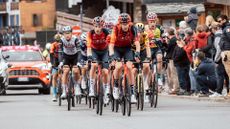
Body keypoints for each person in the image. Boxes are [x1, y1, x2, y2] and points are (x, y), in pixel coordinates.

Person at [109, 13, 140, 103]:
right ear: (120, 23)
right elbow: (111, 45)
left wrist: (137, 53)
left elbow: (137, 43)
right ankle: (115, 85)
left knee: (130, 67)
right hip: (117, 49)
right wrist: (111, 56)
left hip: (127, 49)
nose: (125, 26)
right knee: (118, 66)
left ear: (129, 23)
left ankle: (132, 92)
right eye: (123, 24)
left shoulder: (133, 28)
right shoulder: (116, 28)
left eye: (126, 24)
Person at [87, 16, 111, 103]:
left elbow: (111, 43)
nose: (98, 28)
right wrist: (89, 56)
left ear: (102, 26)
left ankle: (106, 89)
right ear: (93, 26)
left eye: (100, 26)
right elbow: (89, 46)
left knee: (105, 72)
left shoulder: (106, 32)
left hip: (104, 52)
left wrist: (111, 55)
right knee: (94, 65)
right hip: (94, 51)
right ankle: (91, 88)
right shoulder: (90, 33)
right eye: (96, 26)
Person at [59, 26, 81, 98]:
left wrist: (78, 62)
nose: (67, 35)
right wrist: (61, 62)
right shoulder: (61, 40)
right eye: (65, 33)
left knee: (75, 71)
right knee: (65, 71)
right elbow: (60, 52)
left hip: (75, 56)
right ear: (63, 34)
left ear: (71, 33)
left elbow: (79, 51)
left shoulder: (75, 39)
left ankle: (77, 87)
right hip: (66, 56)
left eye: (68, 33)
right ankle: (64, 91)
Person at [133, 22, 151, 102]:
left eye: (141, 32)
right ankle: (132, 86)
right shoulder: (132, 35)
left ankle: (144, 81)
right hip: (133, 51)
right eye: (138, 32)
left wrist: (149, 57)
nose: (139, 34)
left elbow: (147, 47)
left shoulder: (145, 35)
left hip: (143, 50)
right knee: (134, 70)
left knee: (146, 65)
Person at [145, 12, 164, 86]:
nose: (152, 23)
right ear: (148, 21)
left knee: (160, 58)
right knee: (149, 68)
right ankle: (147, 84)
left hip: (156, 48)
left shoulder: (159, 28)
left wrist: (159, 39)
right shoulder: (145, 28)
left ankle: (159, 77)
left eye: (154, 21)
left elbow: (164, 38)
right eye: (151, 21)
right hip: (148, 49)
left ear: (156, 21)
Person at [210, 23, 225, 97]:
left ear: (214, 29)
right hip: (224, 57)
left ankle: (218, 91)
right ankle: (227, 91)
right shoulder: (223, 34)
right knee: (225, 75)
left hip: (219, 59)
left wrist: (216, 59)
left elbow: (218, 48)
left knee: (219, 75)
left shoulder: (217, 36)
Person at [165, 27, 179, 94]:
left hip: (172, 58)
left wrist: (166, 43)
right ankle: (173, 88)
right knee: (171, 74)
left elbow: (167, 49)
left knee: (173, 74)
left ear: (168, 33)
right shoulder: (174, 39)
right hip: (171, 58)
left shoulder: (172, 40)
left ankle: (175, 88)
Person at [50, 33, 62, 101]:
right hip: (55, 60)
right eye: (57, 41)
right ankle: (54, 94)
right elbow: (51, 54)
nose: (58, 42)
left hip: (62, 59)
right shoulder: (53, 45)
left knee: (61, 74)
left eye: (59, 41)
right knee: (54, 76)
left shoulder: (63, 44)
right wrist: (52, 64)